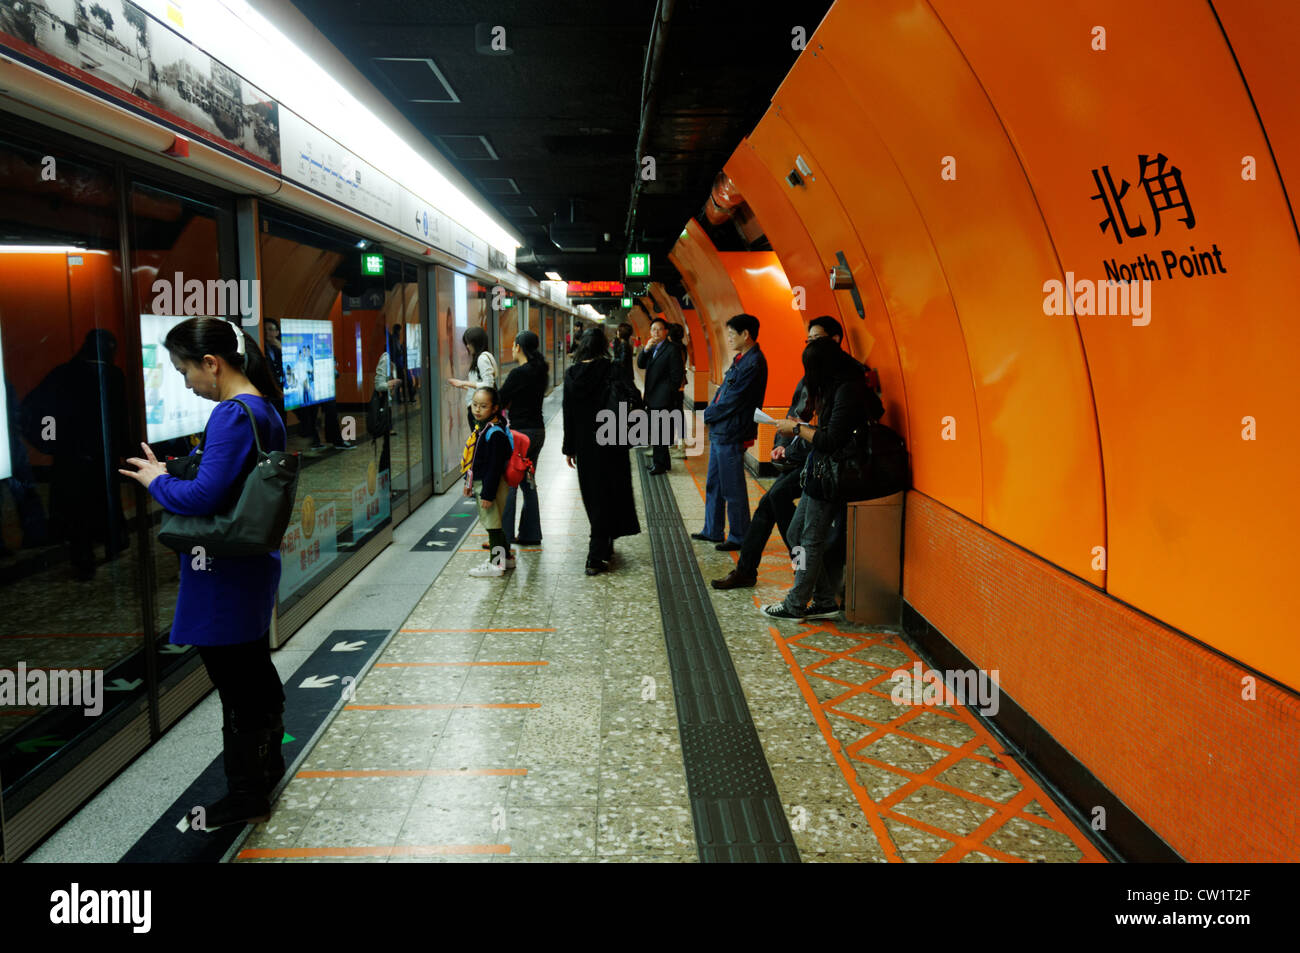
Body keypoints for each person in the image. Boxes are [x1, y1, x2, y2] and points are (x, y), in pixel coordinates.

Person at [117, 317, 288, 829]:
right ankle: (266, 767)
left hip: (223, 574)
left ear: (212, 364)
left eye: (185, 371)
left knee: (237, 688)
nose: (186, 383)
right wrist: (174, 468)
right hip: (249, 568)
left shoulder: (233, 415)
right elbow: (223, 476)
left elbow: (204, 496)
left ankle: (245, 795)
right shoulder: (263, 409)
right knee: (255, 672)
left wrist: (155, 483)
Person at [712, 316, 843, 590]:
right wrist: (781, 445)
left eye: (817, 340)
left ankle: (801, 571)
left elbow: (828, 433)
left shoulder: (842, 382)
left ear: (835, 341)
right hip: (806, 458)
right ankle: (753, 570)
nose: (810, 346)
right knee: (769, 504)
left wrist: (796, 437)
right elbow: (796, 415)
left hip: (827, 463)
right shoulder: (810, 378)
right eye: (808, 341)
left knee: (776, 500)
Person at [762, 335, 882, 620]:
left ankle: (795, 604)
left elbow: (830, 439)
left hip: (831, 477)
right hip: (819, 473)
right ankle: (825, 598)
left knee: (809, 539)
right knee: (795, 533)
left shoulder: (847, 391)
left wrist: (796, 429)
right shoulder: (835, 387)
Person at [562, 327, 640, 574]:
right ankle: (597, 553)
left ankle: (603, 543)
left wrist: (569, 448)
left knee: (593, 494)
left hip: (586, 445)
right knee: (613, 491)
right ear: (603, 346)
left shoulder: (572, 374)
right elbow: (633, 397)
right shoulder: (612, 368)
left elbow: (568, 413)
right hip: (612, 439)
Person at [692, 313, 767, 548]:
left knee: (732, 486)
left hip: (732, 432)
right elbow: (722, 393)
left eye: (732, 334)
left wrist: (705, 415)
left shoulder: (753, 363)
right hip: (721, 430)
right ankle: (712, 529)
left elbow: (733, 400)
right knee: (714, 483)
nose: (729, 338)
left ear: (746, 334)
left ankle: (739, 535)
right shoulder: (740, 359)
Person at [496, 330, 548, 547]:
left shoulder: (518, 374)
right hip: (537, 431)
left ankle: (504, 536)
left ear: (518, 347)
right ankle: (531, 533)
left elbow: (500, 398)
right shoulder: (540, 371)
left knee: (511, 482)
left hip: (520, 434)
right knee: (528, 481)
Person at [462, 386, 516, 578]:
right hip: (484, 483)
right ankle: (506, 558)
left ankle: (496, 564)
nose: (477, 409)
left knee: (493, 525)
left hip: (490, 485)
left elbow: (494, 467)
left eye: (483, 406)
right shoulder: (484, 428)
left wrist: (487, 494)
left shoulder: (494, 433)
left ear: (494, 408)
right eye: (475, 405)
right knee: (496, 523)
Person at [638, 317, 684, 475]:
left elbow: (676, 376)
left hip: (663, 398)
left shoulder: (672, 349)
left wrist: (668, 394)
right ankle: (664, 463)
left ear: (666, 331)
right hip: (652, 397)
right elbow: (640, 364)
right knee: (657, 432)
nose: (655, 332)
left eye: (659, 329)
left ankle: (659, 464)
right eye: (653, 329)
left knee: (660, 433)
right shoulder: (652, 348)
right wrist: (645, 349)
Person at [448, 326, 497, 430]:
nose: (467, 346)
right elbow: (481, 386)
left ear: (477, 342)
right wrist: (464, 386)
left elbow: (488, 385)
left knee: (479, 441)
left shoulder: (482, 358)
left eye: (469, 343)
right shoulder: (485, 356)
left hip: (479, 409)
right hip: (481, 407)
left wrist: (463, 383)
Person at [666, 323, 688, 457]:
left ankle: (680, 444)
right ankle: (678, 442)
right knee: (677, 412)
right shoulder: (682, 347)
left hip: (675, 386)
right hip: (680, 385)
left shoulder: (673, 349)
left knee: (674, 413)